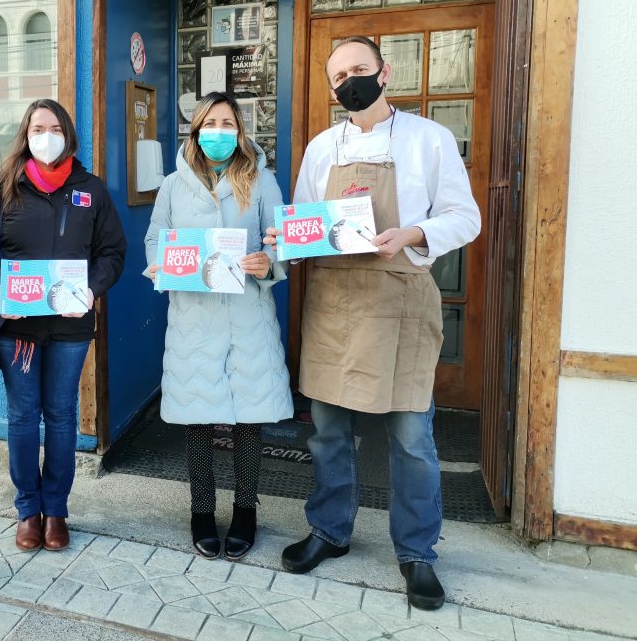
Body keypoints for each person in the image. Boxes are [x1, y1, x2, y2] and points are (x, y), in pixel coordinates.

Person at [270, 36, 480, 610]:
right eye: (339, 76)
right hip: (335, 301)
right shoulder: (320, 148)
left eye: (359, 70)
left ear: (385, 74)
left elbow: (466, 217)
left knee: (412, 437)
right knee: (329, 432)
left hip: (401, 300)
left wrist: (412, 233)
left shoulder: (428, 140)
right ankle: (330, 530)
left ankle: (417, 553)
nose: (349, 82)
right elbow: (306, 227)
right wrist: (281, 240)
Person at [0, 99, 126, 552]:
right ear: (25, 134)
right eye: (37, 127)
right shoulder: (3, 187)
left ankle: (56, 510)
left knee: (61, 416)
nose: (45, 135)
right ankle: (27, 510)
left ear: (67, 134)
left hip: (71, 327)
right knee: (22, 417)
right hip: (19, 330)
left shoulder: (91, 190)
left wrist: (92, 289)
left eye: (54, 127)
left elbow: (113, 252)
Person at [144, 91, 293, 561]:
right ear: (195, 129)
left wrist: (266, 259)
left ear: (241, 130)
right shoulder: (173, 185)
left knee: (250, 417)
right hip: (194, 315)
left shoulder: (263, 180)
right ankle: (202, 510)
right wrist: (159, 265)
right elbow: (156, 237)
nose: (219, 132)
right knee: (198, 415)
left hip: (247, 314)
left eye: (228, 123)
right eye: (211, 123)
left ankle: (246, 509)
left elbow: (281, 240)